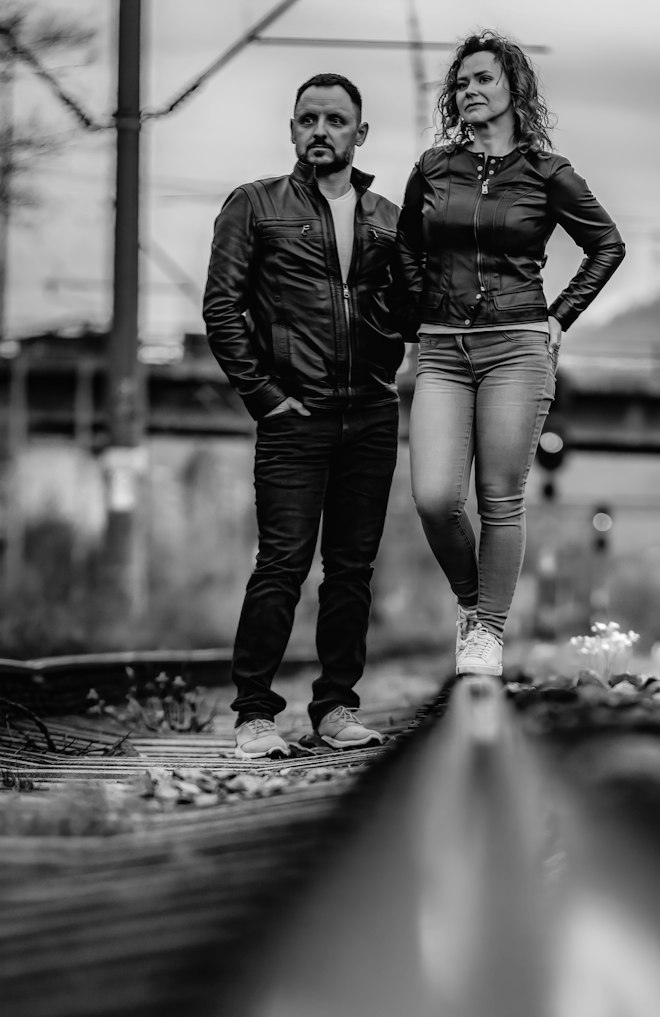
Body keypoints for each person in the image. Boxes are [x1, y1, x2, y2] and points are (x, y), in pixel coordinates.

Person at [396, 30, 625, 677]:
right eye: (462, 82)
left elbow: (606, 245)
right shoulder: (434, 168)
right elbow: (409, 246)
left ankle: (487, 633)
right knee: (437, 498)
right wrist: (418, 315)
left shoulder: (547, 173)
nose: (469, 90)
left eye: (483, 80)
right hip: (441, 351)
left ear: (514, 89)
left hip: (517, 348)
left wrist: (560, 318)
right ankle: (474, 606)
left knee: (500, 498)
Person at [204, 72, 405, 759]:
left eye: (336, 120)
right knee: (282, 563)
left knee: (351, 569)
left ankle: (336, 708)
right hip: (295, 414)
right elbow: (222, 310)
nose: (321, 130)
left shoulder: (387, 217)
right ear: (292, 130)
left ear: (360, 133)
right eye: (308, 119)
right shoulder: (255, 206)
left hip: (372, 413)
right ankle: (255, 715)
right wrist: (265, 398)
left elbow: (409, 309)